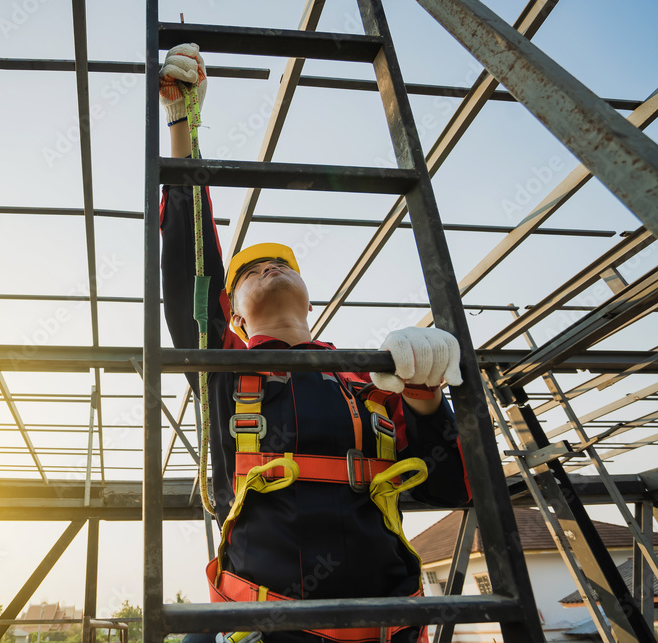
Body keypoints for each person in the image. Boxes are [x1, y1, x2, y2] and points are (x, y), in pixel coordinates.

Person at [158, 43, 472, 643]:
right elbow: (188, 271)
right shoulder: (222, 369)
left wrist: (428, 398)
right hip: (269, 628)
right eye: (249, 272)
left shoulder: (369, 379)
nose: (267, 268)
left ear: (310, 294)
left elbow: (449, 487)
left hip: (390, 628)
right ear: (235, 317)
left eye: (281, 264)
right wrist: (182, 127)